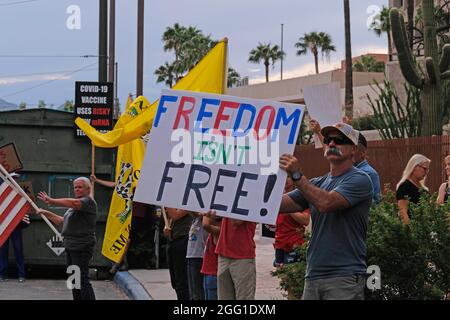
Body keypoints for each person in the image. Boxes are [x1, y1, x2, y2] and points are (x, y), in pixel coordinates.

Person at [279, 122, 373, 300]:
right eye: (328, 139)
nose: (331, 143)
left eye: (338, 140)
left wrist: (298, 176)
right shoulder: (317, 183)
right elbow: (278, 204)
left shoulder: (361, 179)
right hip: (314, 274)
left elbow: (326, 203)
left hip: (344, 277)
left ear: (353, 149)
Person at [36, 177, 97, 300]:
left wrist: (51, 200)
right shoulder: (74, 207)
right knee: (74, 279)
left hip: (81, 247)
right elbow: (62, 221)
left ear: (88, 189)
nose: (77, 189)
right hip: (70, 247)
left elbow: (74, 203)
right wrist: (45, 212)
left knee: (82, 279)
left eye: (80, 187)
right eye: (75, 187)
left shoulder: (87, 202)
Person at [310, 119, 381, 203]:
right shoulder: (327, 178)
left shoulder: (366, 174)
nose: (331, 145)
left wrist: (299, 179)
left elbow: (328, 203)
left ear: (360, 151)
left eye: (340, 141)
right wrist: (319, 132)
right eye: (328, 140)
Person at [204, 210, 257, 300]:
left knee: (243, 297)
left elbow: (236, 221)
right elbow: (207, 223)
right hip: (224, 252)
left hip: (242, 255)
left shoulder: (250, 199)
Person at [274, 176, 310, 267]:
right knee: (282, 277)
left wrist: (288, 207)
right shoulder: (274, 197)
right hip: (279, 244)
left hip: (295, 244)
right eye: (283, 176)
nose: (285, 179)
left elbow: (305, 220)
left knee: (292, 276)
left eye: (288, 176)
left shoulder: (301, 196)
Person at [0, 172, 30, 283]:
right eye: (13, 178)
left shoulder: (21, 192)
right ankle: (2, 274)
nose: (14, 180)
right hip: (3, 225)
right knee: (3, 251)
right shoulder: (2, 191)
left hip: (16, 225)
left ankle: (21, 275)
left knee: (18, 250)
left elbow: (26, 205)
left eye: (16, 178)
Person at [164, 208, 193, 300]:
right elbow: (171, 218)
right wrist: (166, 227)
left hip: (183, 239)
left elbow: (176, 215)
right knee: (175, 281)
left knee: (182, 281)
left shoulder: (188, 199)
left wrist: (166, 200)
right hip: (173, 240)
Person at [396, 154, 431, 224]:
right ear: (414, 167)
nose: (426, 172)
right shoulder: (404, 186)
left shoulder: (423, 189)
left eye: (428, 169)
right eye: (424, 168)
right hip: (414, 230)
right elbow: (403, 213)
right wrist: (411, 232)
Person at [186, 212, 208, 300]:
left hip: (199, 256)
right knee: (192, 292)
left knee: (198, 292)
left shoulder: (204, 217)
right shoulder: (195, 219)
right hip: (191, 255)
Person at [200, 215, 222, 300]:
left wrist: (207, 214)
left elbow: (205, 225)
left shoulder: (219, 231)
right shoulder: (213, 233)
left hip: (213, 275)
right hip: (208, 274)